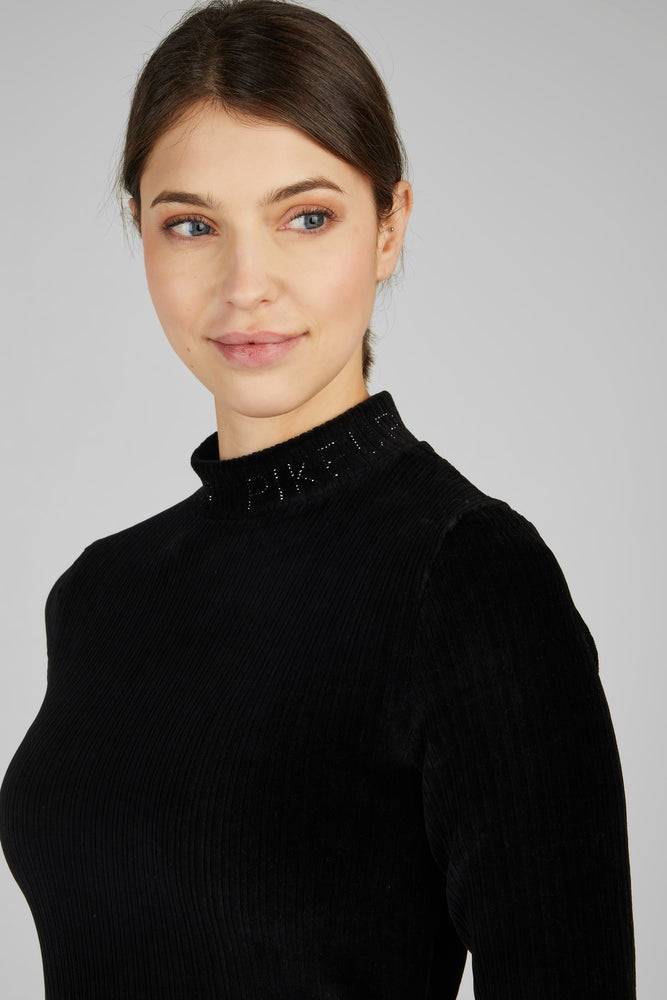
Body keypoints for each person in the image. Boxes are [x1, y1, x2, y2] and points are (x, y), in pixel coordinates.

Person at [0, 1, 636, 997]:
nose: (246, 285)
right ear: (141, 231)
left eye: (306, 217)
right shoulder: (99, 592)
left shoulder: (469, 576)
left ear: (389, 227)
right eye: (192, 224)